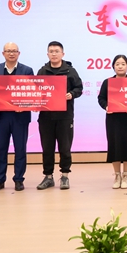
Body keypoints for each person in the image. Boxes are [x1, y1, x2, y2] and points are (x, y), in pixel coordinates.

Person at [0, 42, 34, 192]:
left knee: (20, 149)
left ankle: (19, 179)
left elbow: (32, 93)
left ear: (19, 53)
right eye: (8, 51)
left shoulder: (27, 70)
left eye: (14, 51)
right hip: (0, 117)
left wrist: (23, 105)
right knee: (1, 149)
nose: (11, 53)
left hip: (20, 117)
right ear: (3, 53)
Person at [36, 41, 83, 190]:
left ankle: (65, 176)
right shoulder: (42, 71)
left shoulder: (70, 71)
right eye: (51, 51)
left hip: (65, 116)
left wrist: (71, 94)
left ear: (63, 54)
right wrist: (34, 103)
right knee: (47, 148)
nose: (54, 54)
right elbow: (36, 91)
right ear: (47, 54)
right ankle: (48, 176)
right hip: (46, 117)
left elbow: (79, 88)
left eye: (57, 51)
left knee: (65, 148)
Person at [97, 55, 127, 189]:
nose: (120, 66)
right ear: (113, 66)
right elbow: (101, 98)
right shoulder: (107, 82)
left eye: (123, 64)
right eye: (118, 64)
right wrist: (106, 106)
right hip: (113, 118)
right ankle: (117, 175)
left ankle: (126, 175)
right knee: (114, 145)